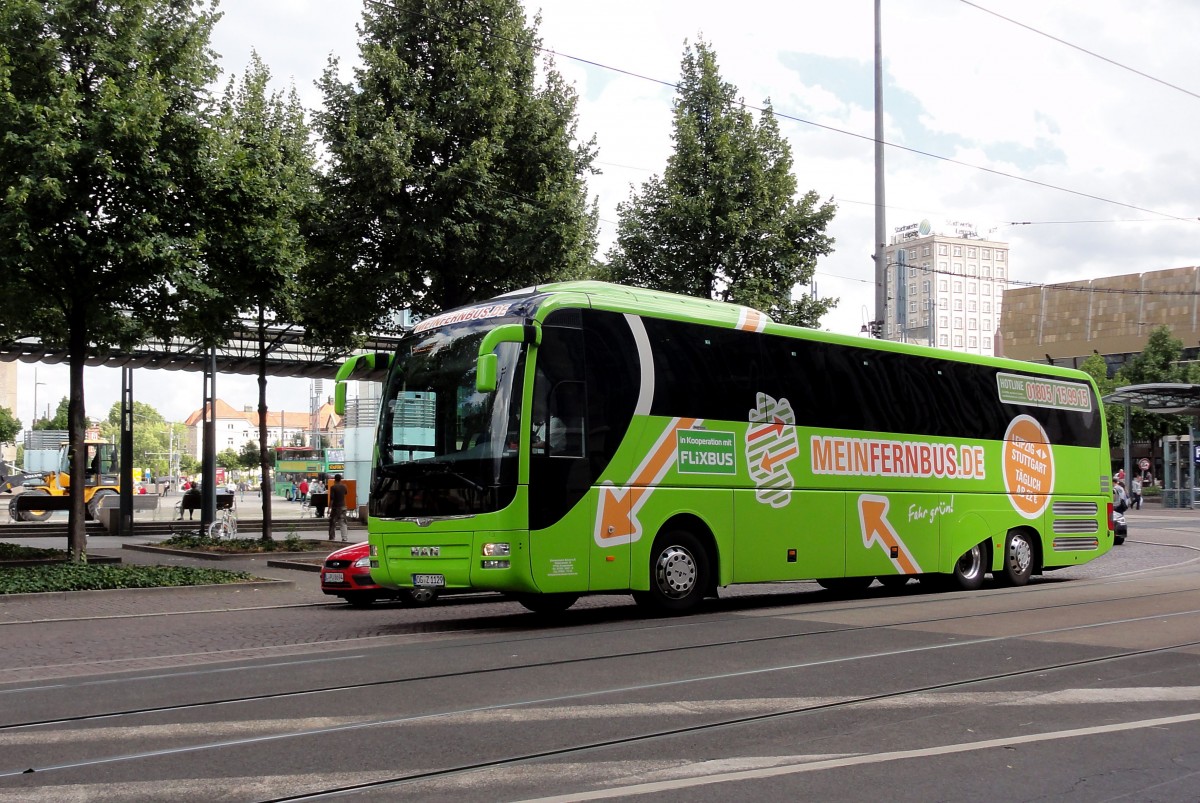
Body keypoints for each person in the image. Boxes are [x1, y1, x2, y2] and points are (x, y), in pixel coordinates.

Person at [327, 473, 349, 541]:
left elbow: (332, 499)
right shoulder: (344, 486)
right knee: (343, 522)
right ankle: (344, 537)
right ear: (340, 479)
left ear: (334, 479)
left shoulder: (333, 487)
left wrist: (329, 508)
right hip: (343, 507)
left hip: (335, 508)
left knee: (332, 523)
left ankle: (332, 537)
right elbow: (346, 493)